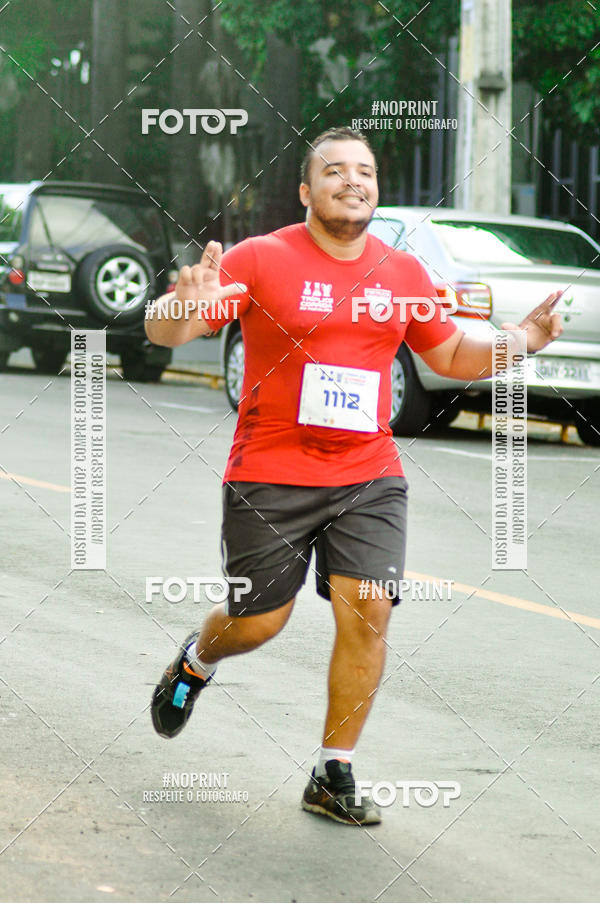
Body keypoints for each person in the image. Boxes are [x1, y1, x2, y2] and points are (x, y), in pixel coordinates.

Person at [145, 126, 562, 826]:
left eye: (364, 171)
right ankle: (195, 660)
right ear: (306, 191)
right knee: (258, 621)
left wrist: (521, 342)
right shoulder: (262, 257)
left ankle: (331, 772)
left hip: (368, 474)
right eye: (334, 170)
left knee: (371, 610)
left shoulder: (402, 274)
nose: (352, 180)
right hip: (271, 472)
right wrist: (179, 305)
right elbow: (170, 331)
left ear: (376, 189)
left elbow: (450, 354)